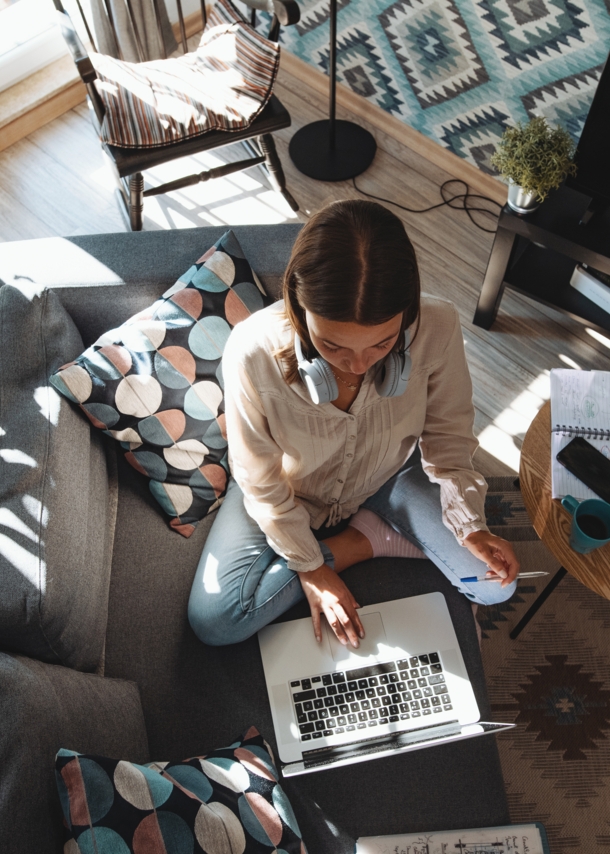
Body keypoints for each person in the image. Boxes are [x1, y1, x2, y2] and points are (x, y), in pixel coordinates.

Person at [188, 200, 519, 649]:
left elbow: (448, 440)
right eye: (333, 345)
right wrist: (311, 568)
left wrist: (469, 524)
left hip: (390, 477)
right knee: (215, 621)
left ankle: (366, 540)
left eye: (382, 343)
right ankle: (372, 538)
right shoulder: (252, 350)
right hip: (290, 492)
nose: (359, 364)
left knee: (494, 585)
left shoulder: (438, 325)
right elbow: (259, 480)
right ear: (299, 307)